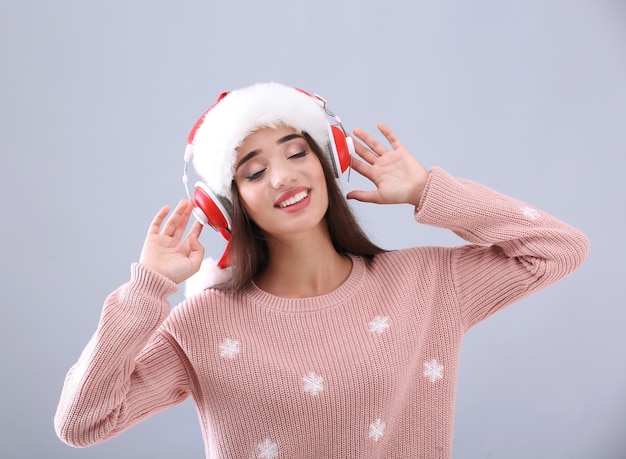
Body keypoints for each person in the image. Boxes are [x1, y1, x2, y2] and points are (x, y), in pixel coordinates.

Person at [54, 82, 589, 458]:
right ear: (228, 205)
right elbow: (81, 423)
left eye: (296, 153)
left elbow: (559, 248)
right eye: (255, 171)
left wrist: (431, 192)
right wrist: (148, 290)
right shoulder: (202, 325)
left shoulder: (426, 285)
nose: (284, 177)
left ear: (327, 163)